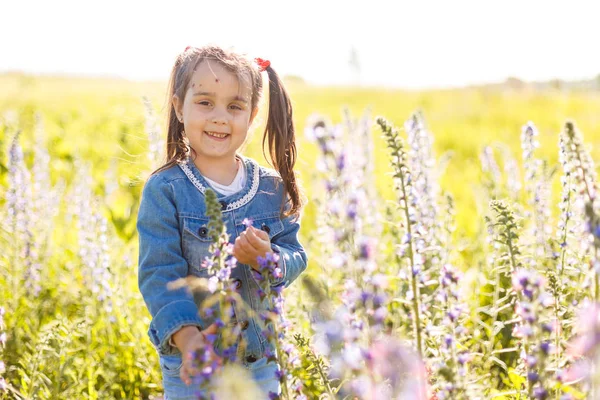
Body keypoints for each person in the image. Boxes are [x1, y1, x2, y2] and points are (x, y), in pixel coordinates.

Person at [136, 45, 308, 399]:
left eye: (234, 106)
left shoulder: (272, 188)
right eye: (204, 102)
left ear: (253, 115)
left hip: (258, 362)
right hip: (195, 362)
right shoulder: (165, 189)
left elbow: (295, 255)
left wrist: (269, 258)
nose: (219, 117)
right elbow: (160, 275)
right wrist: (189, 340)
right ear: (178, 107)